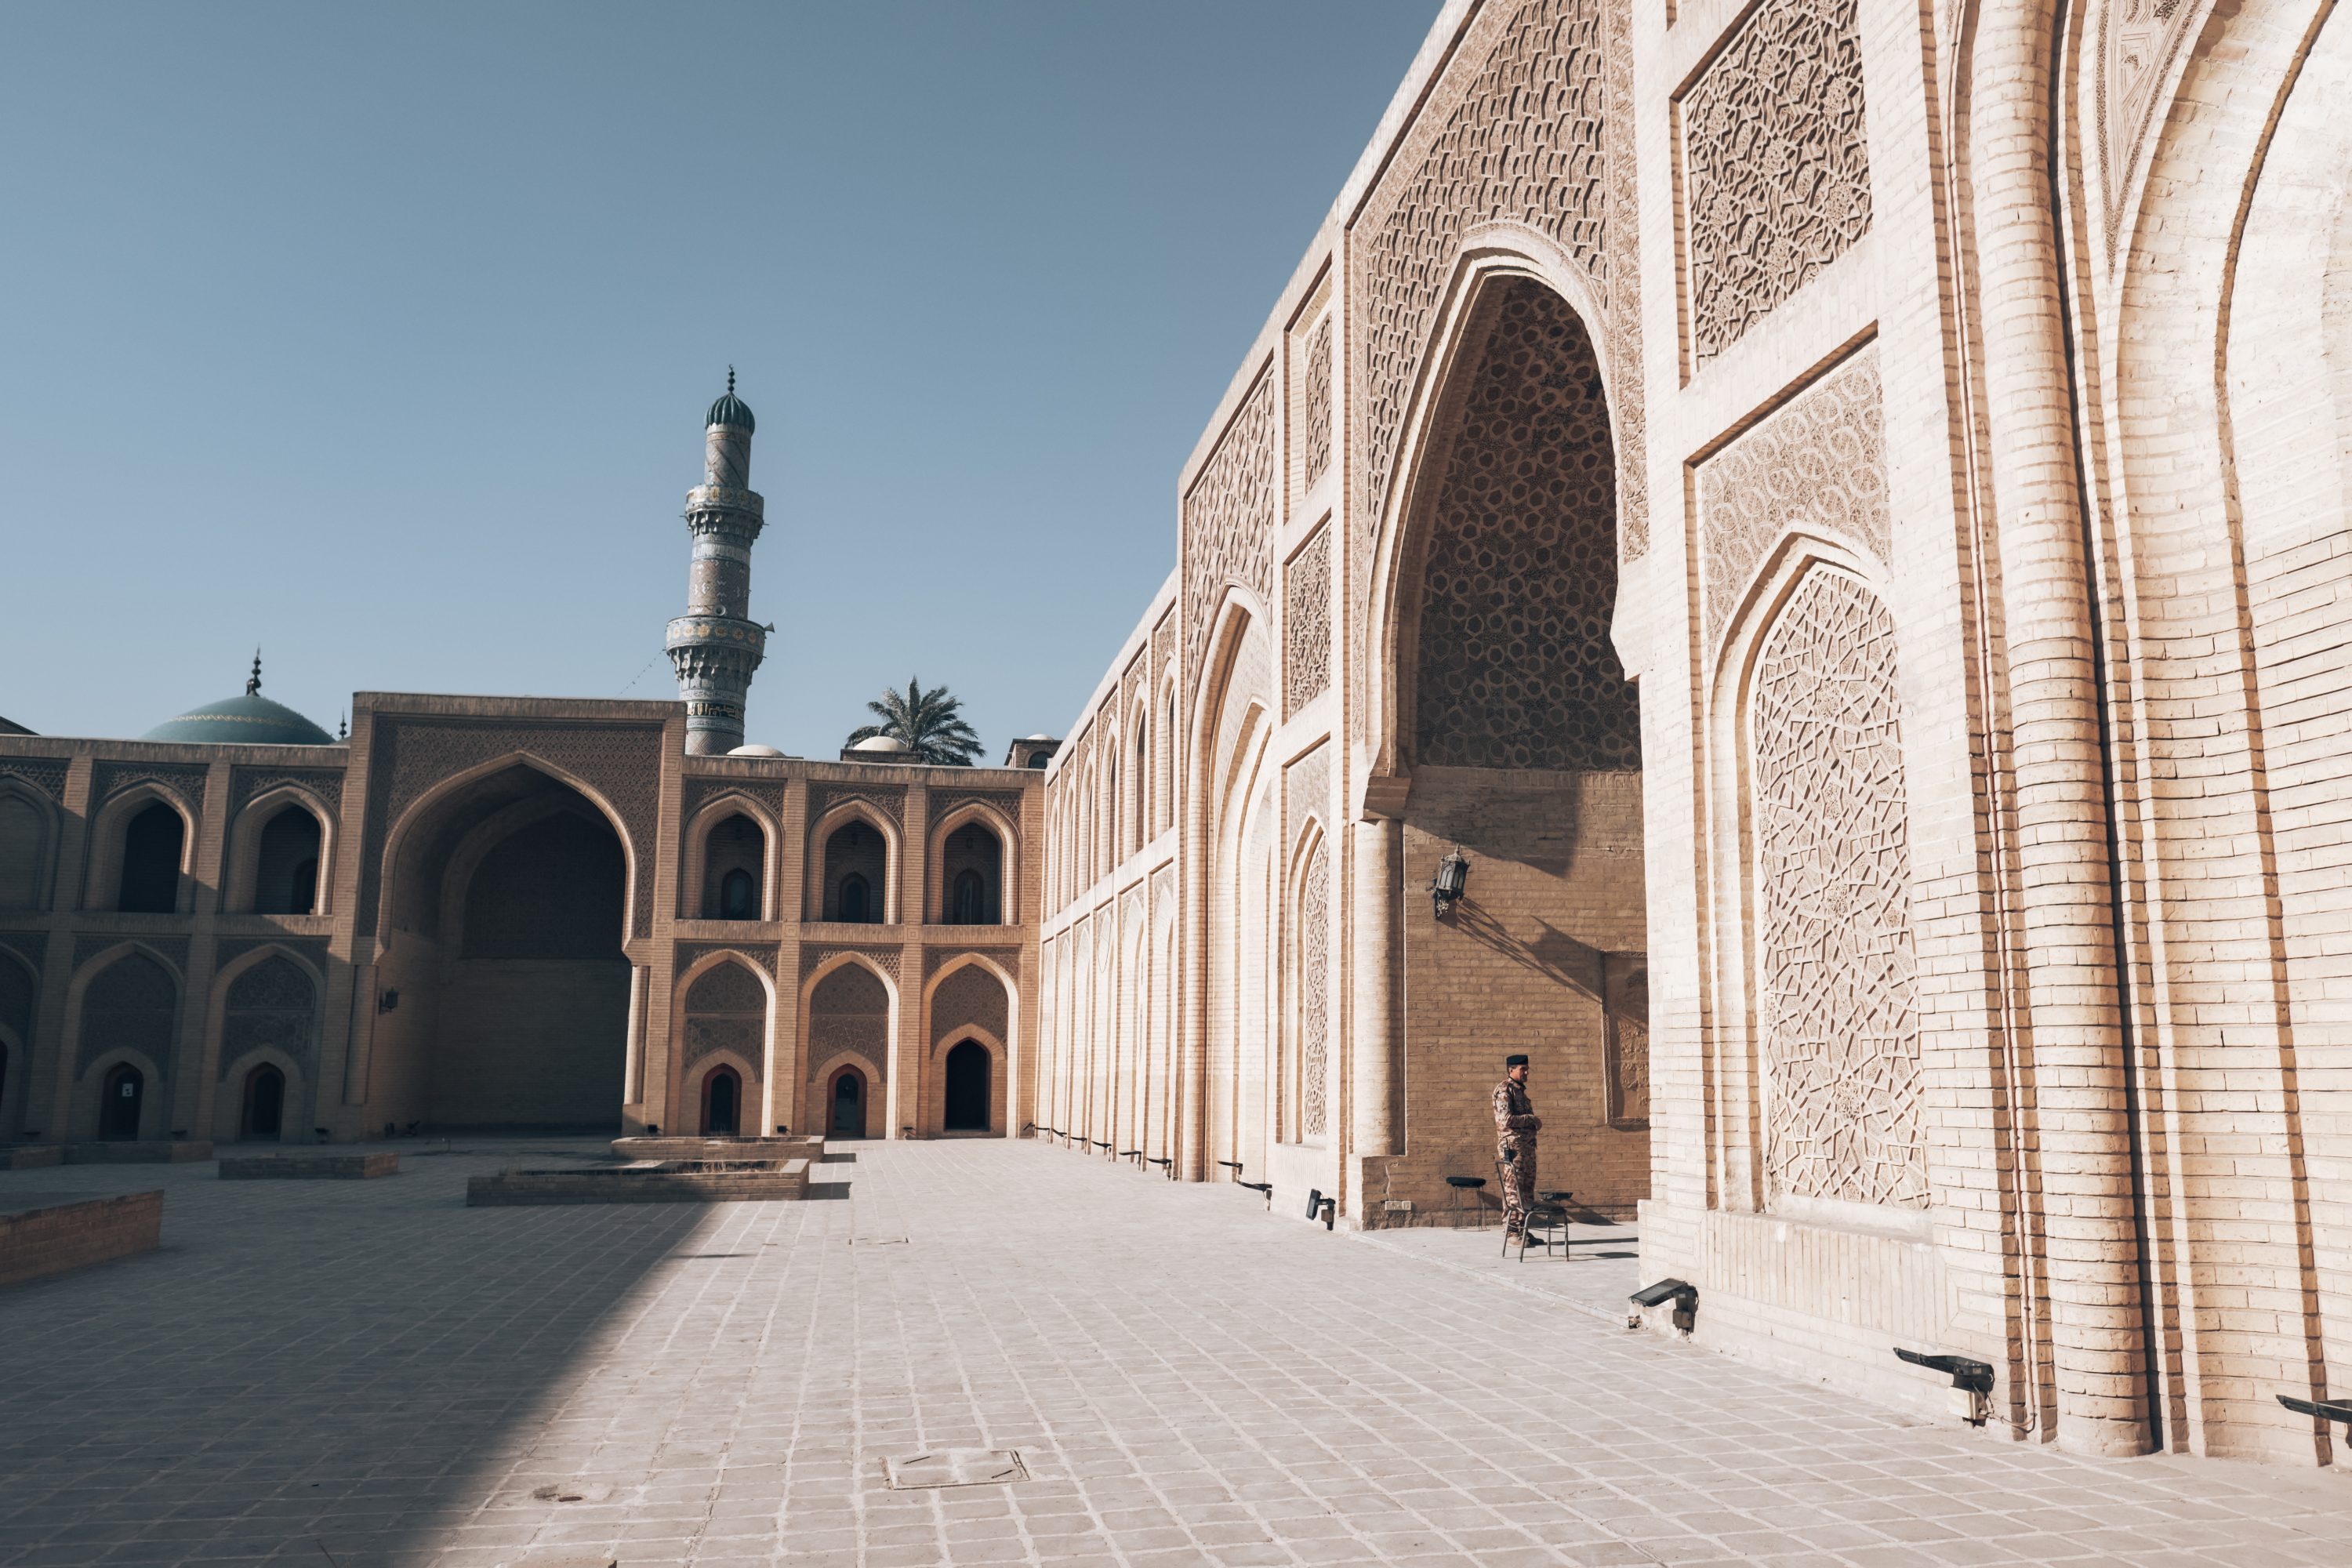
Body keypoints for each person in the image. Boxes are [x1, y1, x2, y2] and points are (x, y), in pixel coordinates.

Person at [1493, 1053, 1541, 1242]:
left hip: (1526, 1149)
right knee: (1514, 1190)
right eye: (1523, 1069)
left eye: (1527, 1069)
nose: (1527, 1072)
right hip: (1513, 1149)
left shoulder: (1520, 1091)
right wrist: (1531, 1119)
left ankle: (1523, 1229)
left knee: (1527, 1189)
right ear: (1510, 1070)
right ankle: (1512, 1232)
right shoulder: (1504, 1090)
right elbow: (1505, 1120)